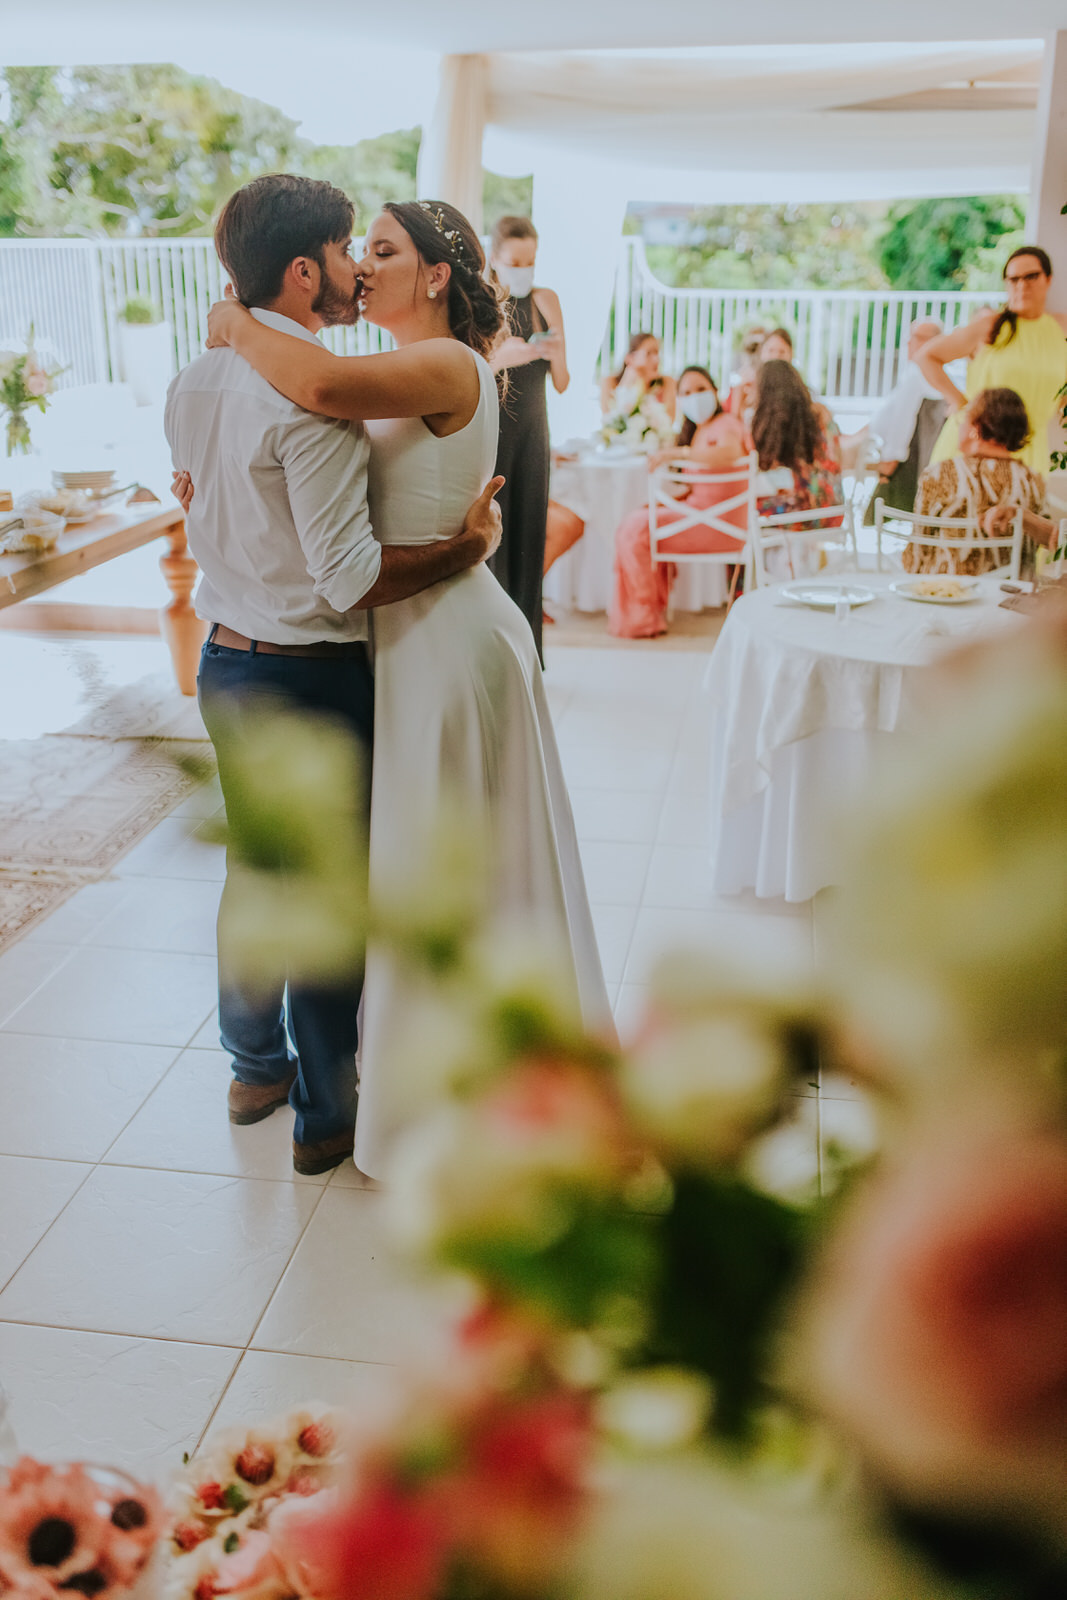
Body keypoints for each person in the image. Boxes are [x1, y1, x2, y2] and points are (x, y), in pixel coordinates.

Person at [203, 196, 614, 1183]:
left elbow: (314, 380)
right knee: (412, 869)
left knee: (452, 870)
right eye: (359, 249)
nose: (362, 265)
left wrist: (231, 320)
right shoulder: (400, 366)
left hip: (445, 640)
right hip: (403, 634)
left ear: (434, 274)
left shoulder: (446, 365)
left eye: (382, 250)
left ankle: (472, 1090)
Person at [165, 174, 504, 1176]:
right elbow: (349, 576)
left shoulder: (195, 378)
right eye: (352, 247)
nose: (359, 265)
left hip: (224, 660)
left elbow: (213, 498)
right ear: (305, 270)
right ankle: (323, 1116)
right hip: (310, 673)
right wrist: (466, 547)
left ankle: (251, 1068)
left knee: (253, 875)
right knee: (322, 895)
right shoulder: (313, 398)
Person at [609, 367, 747, 638]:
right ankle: (647, 610)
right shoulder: (702, 430)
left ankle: (643, 616)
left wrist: (678, 453)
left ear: (715, 391)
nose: (694, 397)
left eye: (700, 389)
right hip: (706, 517)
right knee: (638, 519)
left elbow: (730, 452)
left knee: (635, 529)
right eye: (686, 393)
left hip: (718, 524)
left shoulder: (726, 424)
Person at [487, 215, 569, 663]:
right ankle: (494, 649)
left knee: (530, 536)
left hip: (535, 432)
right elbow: (475, 369)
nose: (524, 270)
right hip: (494, 431)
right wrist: (506, 356)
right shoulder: (482, 301)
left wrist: (555, 353)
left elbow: (563, 382)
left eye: (530, 261)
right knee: (492, 539)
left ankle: (530, 654)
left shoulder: (545, 300)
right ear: (495, 258)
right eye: (515, 262)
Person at [918, 246, 1067, 475]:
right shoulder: (991, 326)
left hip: (1030, 449)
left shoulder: (1061, 330)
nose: (1022, 285)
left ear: (1048, 279)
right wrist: (961, 403)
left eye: (1031, 276)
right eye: (1014, 279)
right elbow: (927, 356)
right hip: (977, 445)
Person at [903, 387, 1048, 577]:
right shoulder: (1033, 481)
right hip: (1013, 589)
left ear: (975, 426)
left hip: (949, 588)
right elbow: (1039, 545)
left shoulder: (940, 474)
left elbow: (919, 548)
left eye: (963, 419)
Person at [856, 320, 948, 516]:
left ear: (934, 341)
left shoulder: (919, 374)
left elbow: (903, 420)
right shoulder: (923, 372)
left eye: (915, 338)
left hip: (901, 460)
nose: (908, 343)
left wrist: (891, 458)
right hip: (887, 447)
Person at [750, 359, 844, 527]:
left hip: (808, 512)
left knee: (741, 512)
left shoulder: (779, 422)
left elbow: (765, 468)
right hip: (834, 509)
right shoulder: (821, 413)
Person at [600, 332, 677, 421]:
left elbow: (669, 420)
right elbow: (610, 420)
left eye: (657, 353)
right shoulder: (609, 382)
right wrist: (626, 383)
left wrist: (644, 384)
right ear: (630, 358)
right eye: (649, 353)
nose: (656, 359)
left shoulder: (667, 382)